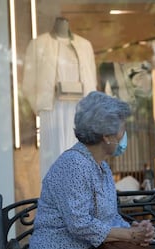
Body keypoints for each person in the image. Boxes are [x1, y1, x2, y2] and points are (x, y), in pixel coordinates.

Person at [27, 91, 155, 249]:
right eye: (122, 128)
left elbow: (108, 217)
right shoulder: (74, 164)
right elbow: (79, 224)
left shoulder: (100, 166)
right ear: (106, 136)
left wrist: (135, 229)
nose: (125, 134)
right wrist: (128, 235)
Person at [22, 17, 97, 180]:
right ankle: (54, 201)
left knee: (80, 156)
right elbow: (28, 83)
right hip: (52, 110)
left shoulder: (85, 45)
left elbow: (92, 77)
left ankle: (79, 199)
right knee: (53, 158)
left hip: (80, 110)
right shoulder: (38, 44)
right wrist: (39, 105)